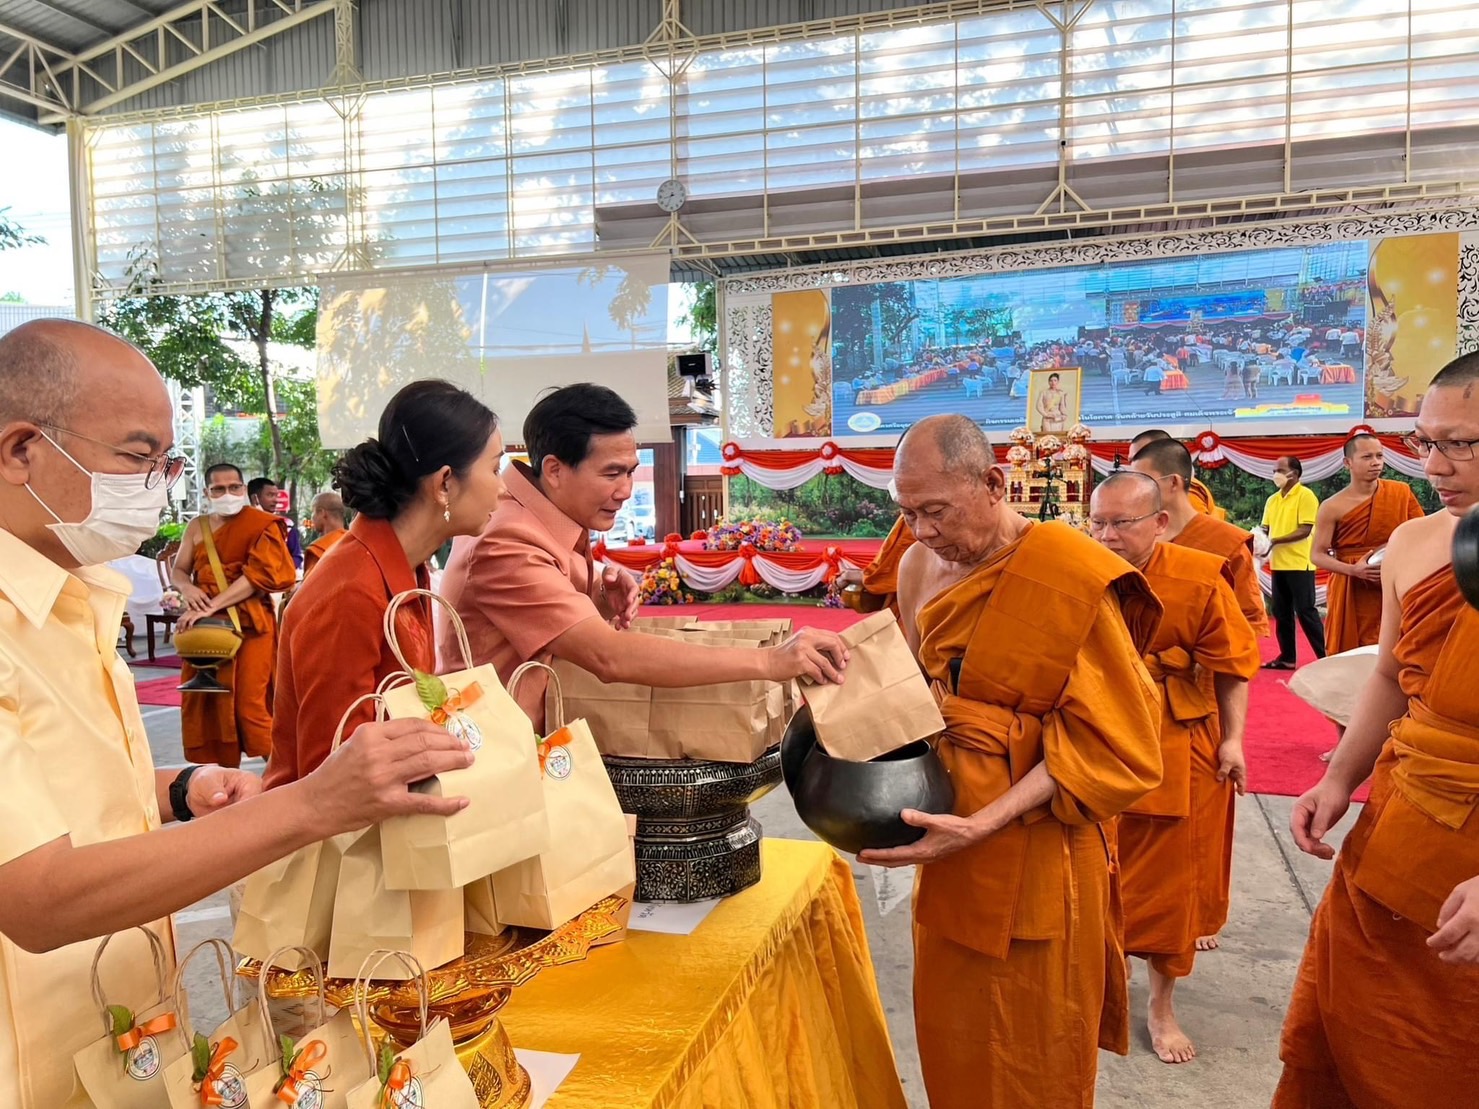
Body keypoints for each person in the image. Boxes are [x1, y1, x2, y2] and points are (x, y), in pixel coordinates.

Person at [0, 319, 477, 1107]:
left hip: (115, 1033)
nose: (158, 485)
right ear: (22, 450)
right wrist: (312, 802)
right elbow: (37, 895)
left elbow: (51, 782)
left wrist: (175, 789)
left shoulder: (72, 597)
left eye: (167, 462)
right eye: (135, 456)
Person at [858, 414, 1163, 1108]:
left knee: (1034, 1058)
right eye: (906, 514)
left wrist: (986, 820)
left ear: (995, 483)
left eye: (935, 510)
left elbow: (1111, 742)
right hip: (949, 847)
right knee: (956, 1042)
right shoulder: (913, 565)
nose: (923, 532)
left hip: (1038, 851)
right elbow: (914, 697)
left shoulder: (1066, 575)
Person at [1276, 352, 1479, 1104]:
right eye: (1425, 441)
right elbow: (1392, 674)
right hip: (1395, 830)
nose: (1435, 464)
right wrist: (1337, 776)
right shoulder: (1416, 544)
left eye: (1462, 443)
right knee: (1355, 1045)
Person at [440, 383, 849, 729]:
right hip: (497, 756)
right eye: (612, 473)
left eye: (631, 470)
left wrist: (596, 589)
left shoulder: (538, 515)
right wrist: (768, 662)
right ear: (554, 470)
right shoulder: (507, 538)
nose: (627, 489)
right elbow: (608, 656)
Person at [1088, 472, 1259, 1064]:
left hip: (1178, 737)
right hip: (1099, 734)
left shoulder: (1197, 576)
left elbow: (1233, 663)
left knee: (1173, 885)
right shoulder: (1081, 573)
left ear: (1159, 523)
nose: (1106, 536)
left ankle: (1160, 1006)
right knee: (1092, 873)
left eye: (1121, 524)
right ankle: (1098, 987)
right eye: (1098, 522)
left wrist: (1233, 740)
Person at [266, 381, 506, 787]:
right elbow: (332, 771)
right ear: (445, 482)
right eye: (495, 468)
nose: (502, 488)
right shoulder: (351, 591)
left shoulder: (403, 567)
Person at [171, 462, 297, 767]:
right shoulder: (196, 527)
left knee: (250, 705)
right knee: (208, 705)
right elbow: (179, 570)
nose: (227, 494)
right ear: (206, 492)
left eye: (234, 488)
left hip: (250, 625)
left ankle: (282, 776)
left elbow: (258, 577)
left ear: (243, 489)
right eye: (219, 489)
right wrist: (187, 589)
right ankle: (223, 778)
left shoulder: (262, 524)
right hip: (207, 628)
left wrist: (213, 604)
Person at [1312, 432, 1425, 655]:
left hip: (1393, 582)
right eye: (1367, 457)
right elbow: (1317, 554)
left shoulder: (1400, 492)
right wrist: (1353, 570)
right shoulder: (1332, 506)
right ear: (1348, 463)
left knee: (1396, 646)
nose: (1376, 463)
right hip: (1352, 588)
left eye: (1379, 456)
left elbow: (1418, 535)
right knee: (1354, 653)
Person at [1261, 455, 1327, 669]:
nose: (1275, 475)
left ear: (1295, 474)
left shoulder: (1306, 496)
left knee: (1306, 611)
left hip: (1300, 562)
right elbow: (1265, 529)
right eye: (1274, 470)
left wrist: (1275, 540)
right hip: (1278, 563)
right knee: (1281, 612)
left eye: (1280, 470)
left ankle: (1325, 657)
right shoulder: (1272, 499)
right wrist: (1258, 541)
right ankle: (1287, 658)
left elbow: (1305, 529)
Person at [1129, 429, 1225, 520]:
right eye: (1131, 460)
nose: (1135, 463)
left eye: (1143, 454)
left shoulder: (1187, 495)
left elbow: (1198, 531)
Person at [249, 475, 304, 569]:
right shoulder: (242, 525)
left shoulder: (286, 525)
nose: (276, 500)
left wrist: (281, 573)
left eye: (276, 496)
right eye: (270, 495)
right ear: (255, 498)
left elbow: (297, 556)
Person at [302, 490, 349, 576]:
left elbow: (311, 586)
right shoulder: (353, 542)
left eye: (313, 512)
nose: (312, 517)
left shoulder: (319, 550)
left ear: (322, 513)